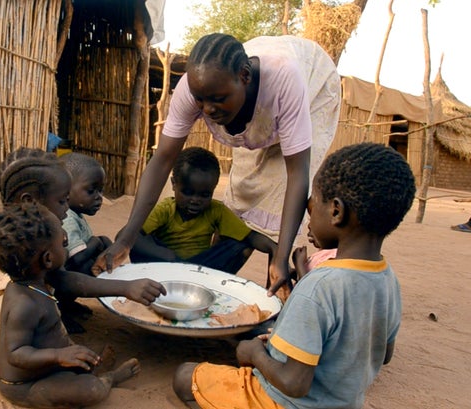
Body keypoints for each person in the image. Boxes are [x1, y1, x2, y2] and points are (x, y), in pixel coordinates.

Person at [94, 34, 341, 301]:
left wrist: (281, 257)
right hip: (256, 109)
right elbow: (163, 159)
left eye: (217, 99)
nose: (208, 109)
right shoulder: (196, 88)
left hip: (312, 85)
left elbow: (297, 173)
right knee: (241, 202)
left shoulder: (284, 81)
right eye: (201, 100)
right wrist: (126, 239)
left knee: (278, 199)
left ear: (244, 76)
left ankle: (272, 302)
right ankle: (209, 290)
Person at [172, 143, 416, 409]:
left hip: (278, 402)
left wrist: (254, 354)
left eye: (312, 207)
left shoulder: (319, 286)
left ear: (336, 211)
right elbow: (384, 355)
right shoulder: (388, 279)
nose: (308, 220)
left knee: (185, 375)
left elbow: (294, 383)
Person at [0, 148, 165, 366]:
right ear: (29, 201)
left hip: (10, 316)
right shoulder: (22, 244)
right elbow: (62, 280)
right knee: (26, 298)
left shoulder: (36, 230)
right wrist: (125, 287)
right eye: (61, 201)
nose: (67, 209)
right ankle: (27, 354)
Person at [0, 202, 141, 408]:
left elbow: (77, 283)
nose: (67, 240)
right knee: (91, 390)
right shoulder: (24, 304)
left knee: (82, 358)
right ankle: (109, 378)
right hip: (25, 385)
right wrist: (59, 355)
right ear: (48, 259)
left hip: (49, 367)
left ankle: (88, 371)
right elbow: (16, 353)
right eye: (63, 242)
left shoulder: (35, 282)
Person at [130, 147, 277, 275]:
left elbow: (250, 236)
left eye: (204, 195)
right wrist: (168, 256)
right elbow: (130, 236)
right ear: (174, 184)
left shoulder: (216, 210)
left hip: (201, 268)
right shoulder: (166, 209)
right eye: (187, 192)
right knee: (136, 243)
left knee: (240, 245)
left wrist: (275, 249)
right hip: (165, 265)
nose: (195, 200)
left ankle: (211, 280)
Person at [57, 152, 112, 333]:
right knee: (84, 269)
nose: (99, 197)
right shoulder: (68, 219)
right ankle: (58, 315)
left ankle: (65, 306)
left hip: (64, 276)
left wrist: (103, 241)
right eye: (91, 191)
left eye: (100, 191)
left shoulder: (74, 214)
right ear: (65, 190)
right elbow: (77, 258)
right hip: (57, 280)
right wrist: (97, 242)